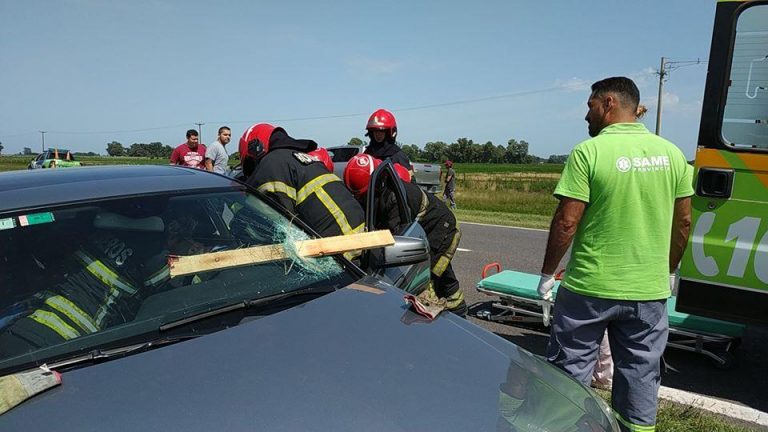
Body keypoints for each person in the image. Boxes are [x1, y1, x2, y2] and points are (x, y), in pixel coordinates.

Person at [536, 77, 693, 432]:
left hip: (588, 288)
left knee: (569, 372)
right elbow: (683, 223)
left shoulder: (587, 153)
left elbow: (566, 222)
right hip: (648, 292)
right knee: (640, 376)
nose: (586, 117)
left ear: (608, 103)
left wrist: (547, 273)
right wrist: (668, 269)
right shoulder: (672, 154)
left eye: (589, 106)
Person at [0, 199, 202, 358]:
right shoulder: (153, 257)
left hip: (19, 329)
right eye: (189, 238)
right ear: (174, 233)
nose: (191, 242)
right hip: (65, 347)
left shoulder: (99, 229)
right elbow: (192, 295)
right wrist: (199, 260)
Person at [344, 154, 467, 316]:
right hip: (428, 226)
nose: (361, 199)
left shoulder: (392, 198)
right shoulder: (378, 193)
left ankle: (449, 314)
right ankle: (457, 307)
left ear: (378, 183)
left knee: (425, 276)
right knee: (442, 274)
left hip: (442, 228)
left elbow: (394, 241)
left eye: (363, 195)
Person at [240, 123, 365, 240]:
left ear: (256, 149)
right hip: (360, 235)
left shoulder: (271, 164)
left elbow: (278, 221)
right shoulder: (297, 157)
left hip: (338, 246)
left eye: (249, 165)